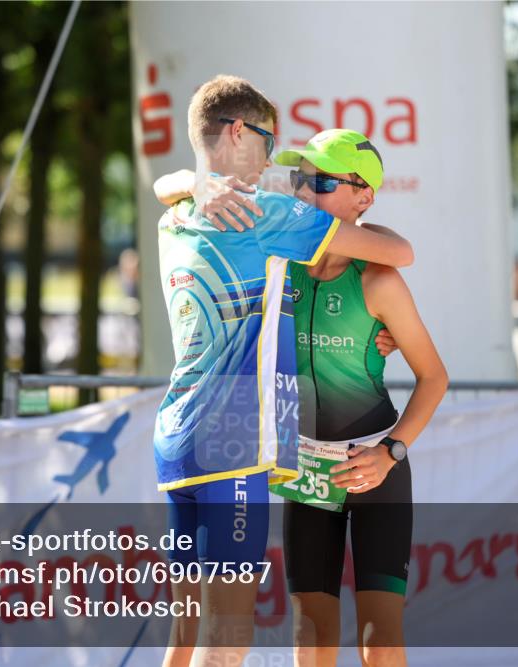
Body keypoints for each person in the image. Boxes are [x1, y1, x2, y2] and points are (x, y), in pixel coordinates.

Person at [157, 128, 448, 667]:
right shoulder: (275, 259)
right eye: (299, 178)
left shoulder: (379, 280)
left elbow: (434, 377)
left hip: (372, 466)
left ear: (364, 196)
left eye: (322, 182)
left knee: (379, 642)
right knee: (310, 639)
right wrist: (197, 182)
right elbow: (166, 189)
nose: (305, 190)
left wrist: (391, 452)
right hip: (304, 466)